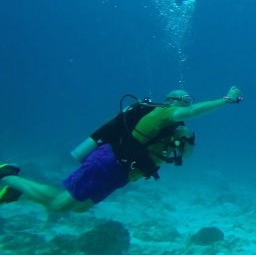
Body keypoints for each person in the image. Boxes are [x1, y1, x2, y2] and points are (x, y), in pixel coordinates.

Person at [0, 86, 242, 213]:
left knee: (81, 208)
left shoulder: (174, 129)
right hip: (110, 161)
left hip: (123, 173)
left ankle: (17, 192)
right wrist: (226, 100)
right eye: (183, 99)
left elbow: (184, 158)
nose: (187, 103)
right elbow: (192, 112)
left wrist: (187, 139)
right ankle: (8, 175)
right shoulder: (163, 113)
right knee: (60, 205)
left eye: (189, 99)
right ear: (171, 100)